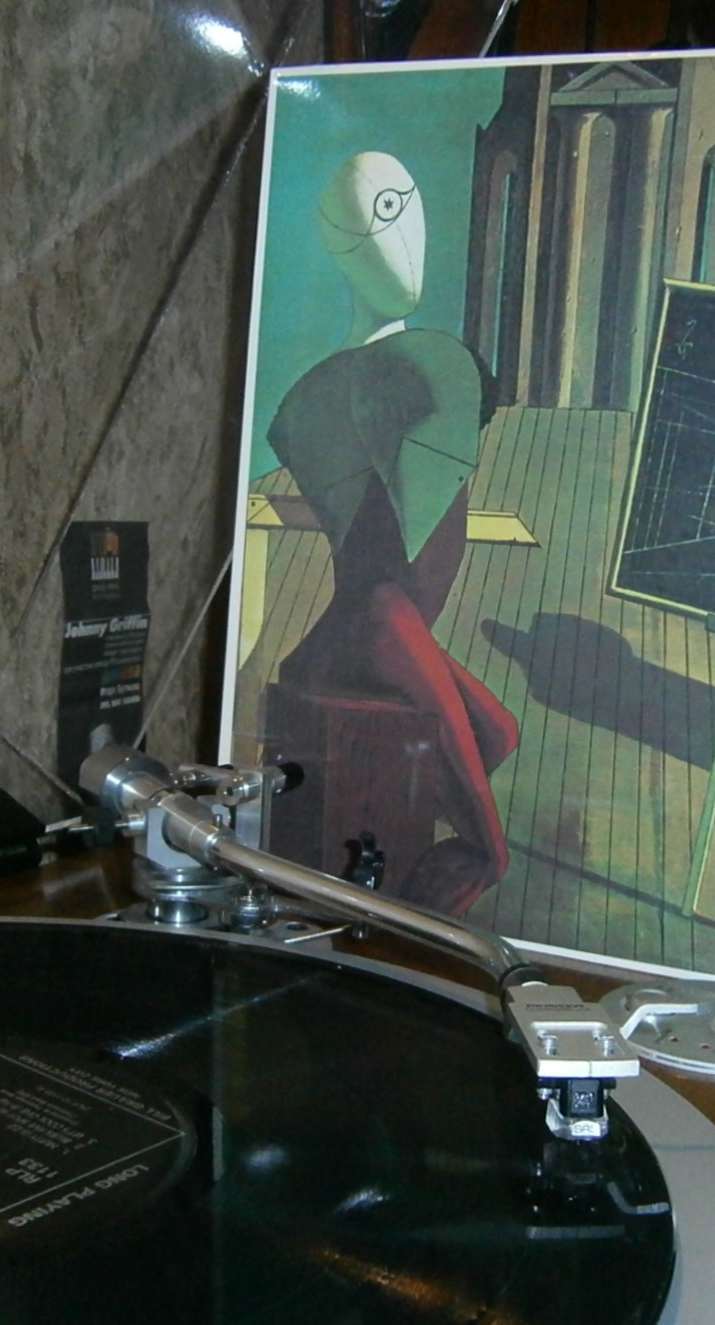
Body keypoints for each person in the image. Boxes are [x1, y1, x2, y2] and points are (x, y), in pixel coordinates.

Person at [267, 152, 517, 914]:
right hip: (377, 626)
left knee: (499, 733)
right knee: (475, 751)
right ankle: (399, 865)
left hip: (382, 623)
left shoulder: (419, 434)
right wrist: (487, 849)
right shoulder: (371, 407)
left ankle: (395, 844)